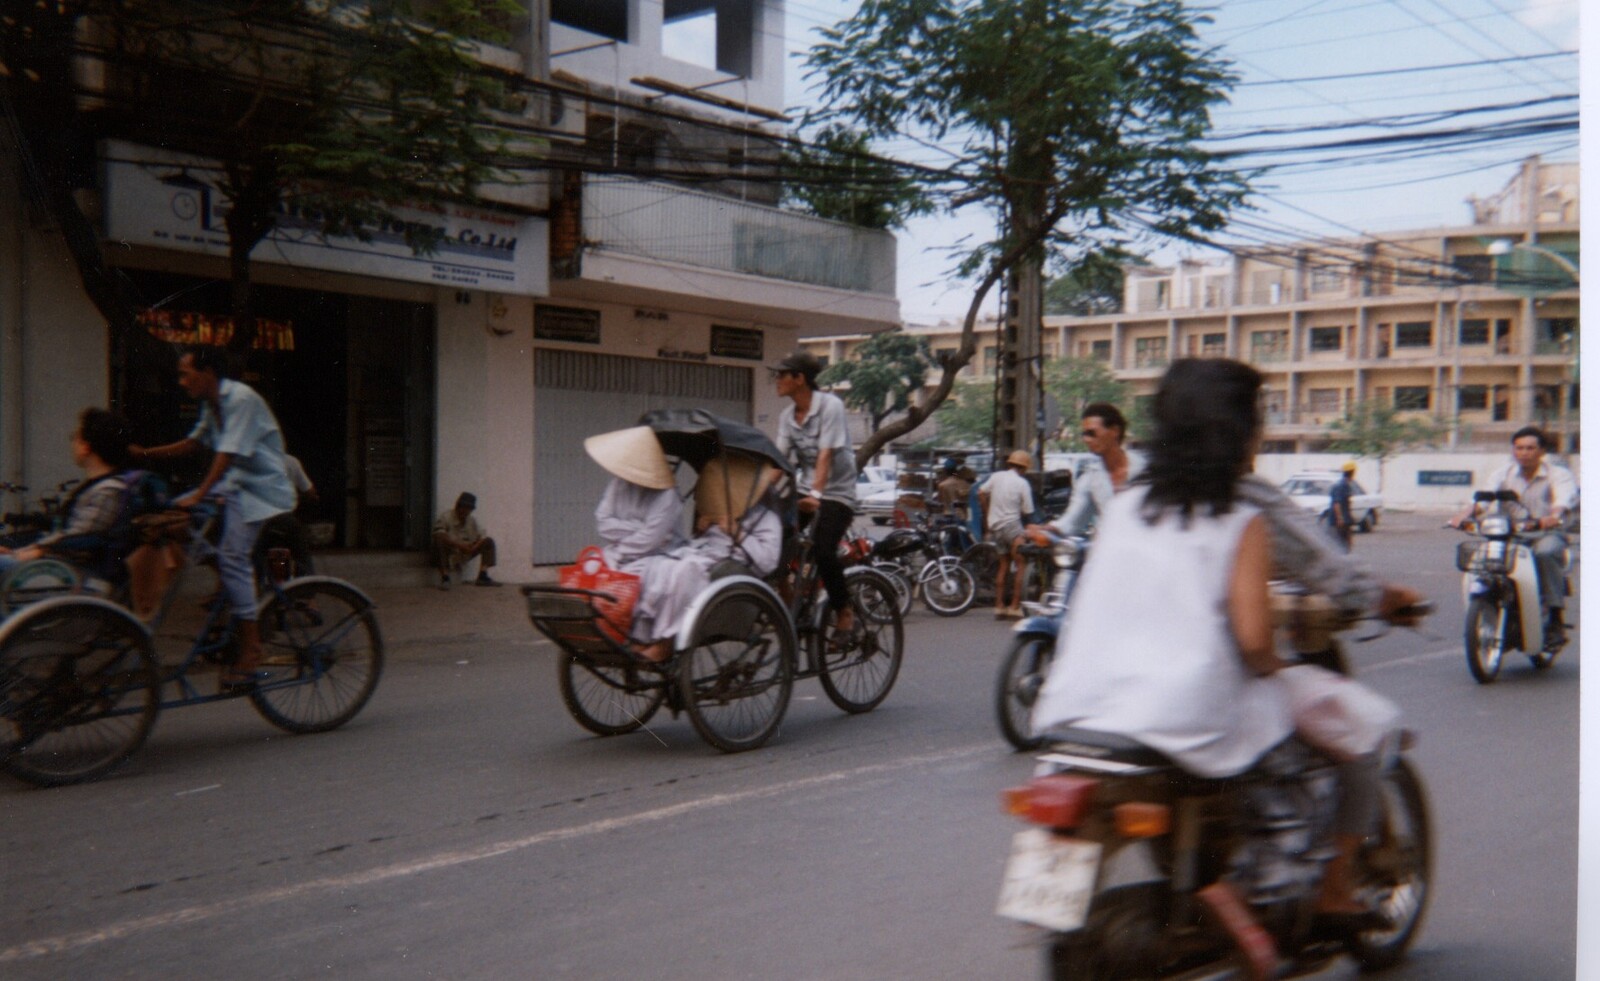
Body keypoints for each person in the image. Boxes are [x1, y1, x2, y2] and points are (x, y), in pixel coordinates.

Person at [1031, 358, 1396, 947]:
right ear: (1240, 431)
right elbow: (1254, 643)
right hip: (1183, 716)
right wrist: (1281, 675)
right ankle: (1256, 897)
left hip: (1075, 713)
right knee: (1339, 749)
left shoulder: (1125, 506)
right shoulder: (1241, 514)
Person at [130, 347, 294, 691]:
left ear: (208, 373)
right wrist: (143, 455)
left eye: (186, 373)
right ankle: (233, 583)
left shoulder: (241, 398)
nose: (182, 381)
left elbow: (226, 453)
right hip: (233, 487)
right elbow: (192, 444)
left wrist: (200, 494)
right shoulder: (211, 404)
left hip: (260, 492)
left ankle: (251, 648)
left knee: (233, 557)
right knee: (171, 521)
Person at [1448, 425, 1577, 645]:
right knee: (1485, 559)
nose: (1524, 453)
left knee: (1545, 552)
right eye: (1519, 448)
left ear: (1542, 451)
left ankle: (1555, 616)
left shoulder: (1558, 475)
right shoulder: (1502, 474)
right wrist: (1461, 517)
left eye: (1529, 448)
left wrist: (1553, 516)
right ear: (1513, 450)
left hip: (1545, 532)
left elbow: (1563, 501)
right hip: (1510, 533)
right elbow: (1482, 501)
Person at [771, 351, 859, 648]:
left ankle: (844, 611)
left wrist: (816, 496)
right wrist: (753, 498)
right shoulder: (787, 417)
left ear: (800, 379)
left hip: (837, 492)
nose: (777, 380)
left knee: (823, 550)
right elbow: (778, 463)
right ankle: (788, 609)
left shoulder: (830, 406)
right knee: (774, 544)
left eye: (782, 375)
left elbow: (825, 454)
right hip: (807, 488)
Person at [0, 408, 133, 580]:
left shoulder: (109, 490)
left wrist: (28, 553)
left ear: (86, 447)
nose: (72, 443)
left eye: (75, 438)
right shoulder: (100, 487)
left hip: (65, 570)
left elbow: (80, 538)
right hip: (57, 562)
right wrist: (16, 551)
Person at [1027, 402, 1143, 542]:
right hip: (1110, 551)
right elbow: (1072, 521)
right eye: (1084, 434)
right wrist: (1045, 529)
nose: (1086, 439)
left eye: (1092, 433)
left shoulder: (1145, 469)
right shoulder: (1089, 478)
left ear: (1115, 431)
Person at [979, 450, 1035, 619]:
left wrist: (988, 514)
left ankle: (999, 606)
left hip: (996, 527)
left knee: (1003, 565)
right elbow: (1028, 511)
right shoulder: (1022, 483)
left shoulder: (996, 477)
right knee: (1020, 565)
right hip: (1012, 527)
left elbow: (980, 492)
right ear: (1024, 468)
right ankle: (1014, 606)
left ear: (1010, 464)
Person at [254, 453, 318, 578]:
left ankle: (255, 589)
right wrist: (312, 496)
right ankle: (306, 592)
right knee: (302, 554)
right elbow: (309, 490)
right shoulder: (291, 461)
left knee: (254, 555)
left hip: (262, 520)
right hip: (286, 518)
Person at [433, 492, 500, 588]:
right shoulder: (446, 517)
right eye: (463, 507)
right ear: (458, 506)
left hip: (465, 552)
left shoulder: (472, 521)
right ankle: (445, 578)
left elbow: (482, 536)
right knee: (439, 540)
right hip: (450, 553)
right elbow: (439, 534)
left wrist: (473, 548)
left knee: (489, 541)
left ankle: (483, 576)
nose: (465, 511)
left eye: (468, 509)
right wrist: (459, 545)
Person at [1327, 461, 1357, 553]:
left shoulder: (1345, 484)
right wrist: (1340, 518)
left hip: (1345, 520)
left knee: (1346, 543)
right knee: (1341, 543)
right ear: (1352, 472)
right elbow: (1337, 503)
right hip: (1341, 521)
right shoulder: (1342, 485)